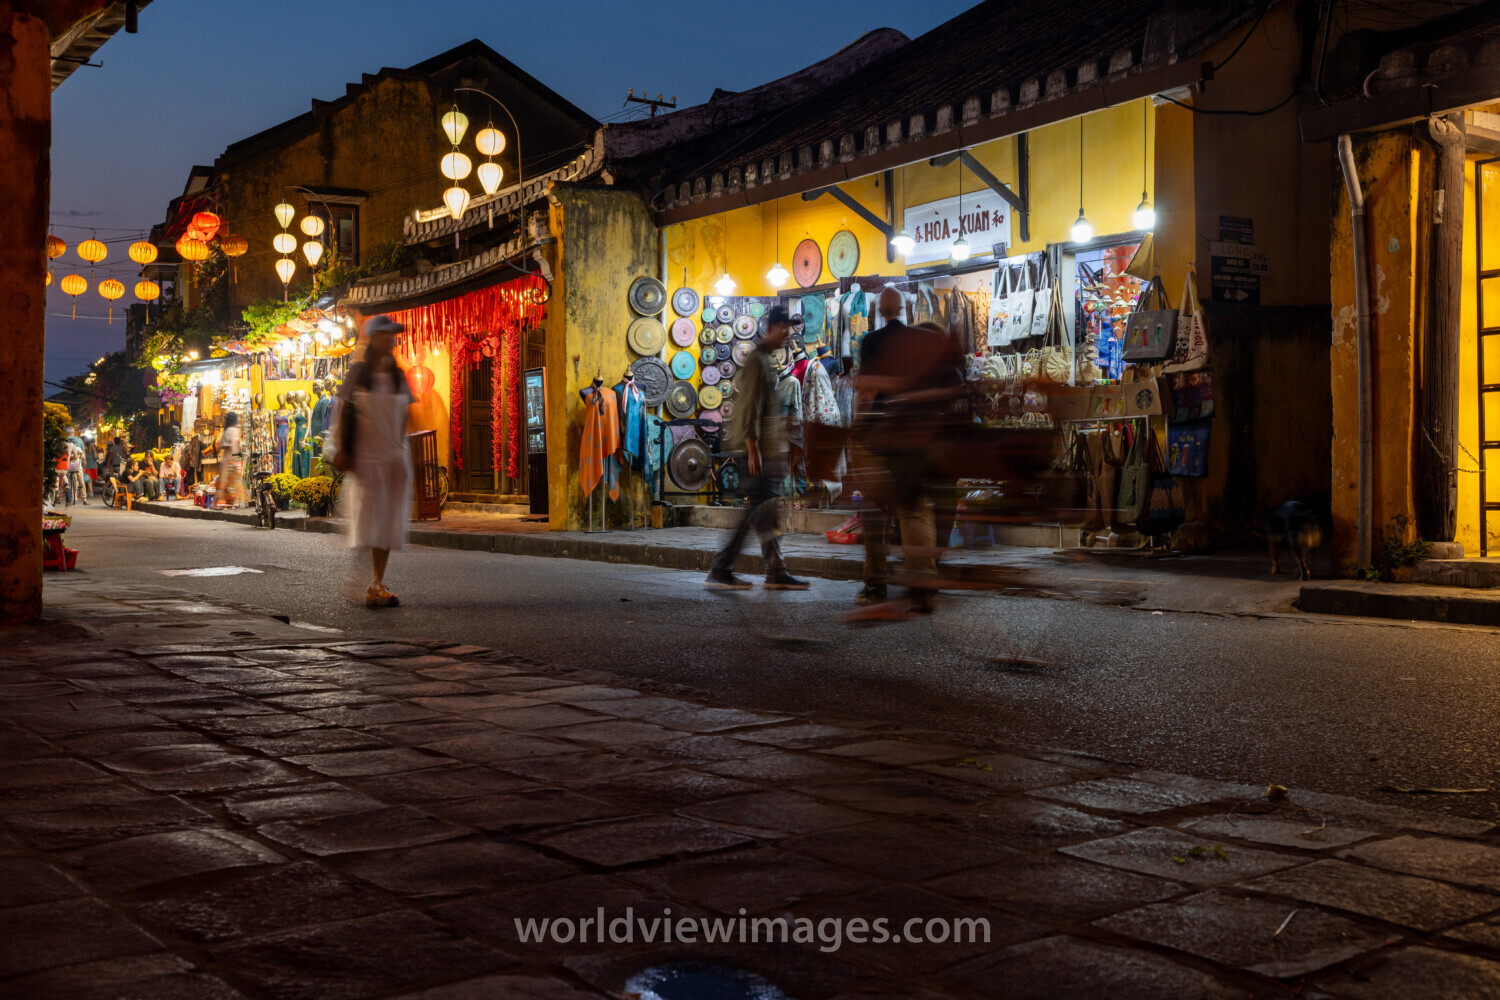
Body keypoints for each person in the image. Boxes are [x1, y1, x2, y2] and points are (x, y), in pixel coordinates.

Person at [851, 289, 959, 614]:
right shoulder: (926, 344)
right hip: (921, 439)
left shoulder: (871, 342)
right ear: (902, 308)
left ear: (879, 309)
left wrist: (858, 430)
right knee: (915, 510)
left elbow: (867, 392)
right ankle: (923, 584)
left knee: (874, 514)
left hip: (883, 437)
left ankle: (875, 585)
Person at [704, 306, 809, 591]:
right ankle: (723, 568)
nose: (788, 336)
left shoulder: (765, 360)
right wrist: (753, 449)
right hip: (754, 452)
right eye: (785, 330)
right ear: (772, 327)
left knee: (765, 513)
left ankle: (772, 570)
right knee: (757, 513)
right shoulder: (756, 361)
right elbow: (749, 406)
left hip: (765, 451)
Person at [335, 315, 413, 608]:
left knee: (389, 518)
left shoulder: (398, 375)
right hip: (368, 456)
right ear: (372, 338)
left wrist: (403, 449)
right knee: (370, 516)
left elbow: (405, 413)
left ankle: (376, 582)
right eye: (385, 334)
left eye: (393, 335)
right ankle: (366, 580)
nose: (391, 339)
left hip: (393, 454)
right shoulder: (359, 373)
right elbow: (343, 411)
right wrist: (343, 449)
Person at [216, 413, 243, 508]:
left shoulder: (226, 430)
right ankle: (236, 502)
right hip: (232, 458)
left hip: (225, 457)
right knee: (235, 481)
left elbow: (220, 446)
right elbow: (234, 444)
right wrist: (236, 458)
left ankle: (214, 503)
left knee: (223, 481)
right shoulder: (234, 430)